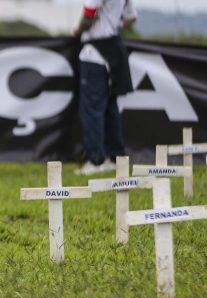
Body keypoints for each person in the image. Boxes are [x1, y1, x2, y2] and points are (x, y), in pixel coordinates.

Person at [73, 0, 137, 175]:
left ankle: (96, 160)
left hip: (95, 53)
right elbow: (131, 18)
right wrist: (112, 24)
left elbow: (89, 13)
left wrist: (77, 31)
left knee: (92, 109)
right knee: (110, 107)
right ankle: (115, 158)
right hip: (114, 49)